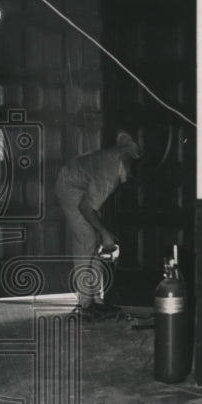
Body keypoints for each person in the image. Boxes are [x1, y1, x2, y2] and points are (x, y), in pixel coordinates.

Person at [55, 130, 141, 320]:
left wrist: (103, 233)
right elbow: (85, 207)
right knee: (88, 237)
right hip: (69, 186)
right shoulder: (110, 173)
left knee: (94, 239)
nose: (132, 168)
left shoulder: (115, 162)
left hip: (79, 185)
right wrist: (105, 233)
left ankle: (95, 301)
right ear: (123, 158)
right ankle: (84, 306)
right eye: (131, 162)